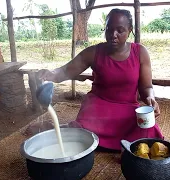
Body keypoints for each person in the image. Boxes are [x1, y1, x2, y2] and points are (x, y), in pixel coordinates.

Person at [38, 8, 163, 150]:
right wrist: (50, 74)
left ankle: (91, 138)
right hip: (98, 109)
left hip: (127, 108)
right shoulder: (93, 52)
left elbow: (146, 87)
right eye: (109, 29)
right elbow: (65, 71)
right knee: (82, 130)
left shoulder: (140, 52)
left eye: (120, 30)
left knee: (148, 129)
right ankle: (61, 129)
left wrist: (151, 99)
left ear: (129, 30)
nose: (113, 35)